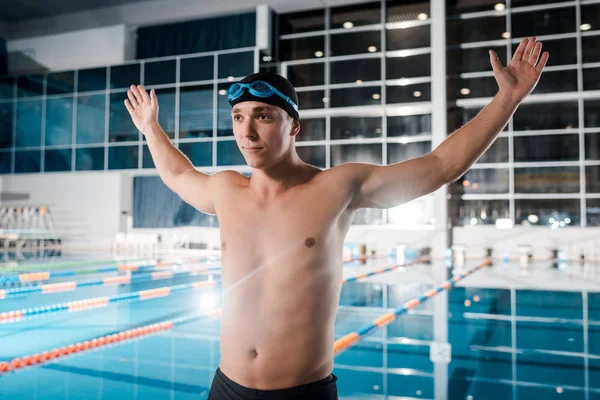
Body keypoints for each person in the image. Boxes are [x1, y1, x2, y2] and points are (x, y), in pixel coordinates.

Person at [124, 37, 548, 400]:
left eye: (264, 116)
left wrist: (506, 99)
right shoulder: (225, 190)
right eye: (238, 118)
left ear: (294, 127)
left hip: (304, 392)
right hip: (227, 387)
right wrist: (149, 127)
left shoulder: (336, 188)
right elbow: (178, 173)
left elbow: (439, 166)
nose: (247, 132)